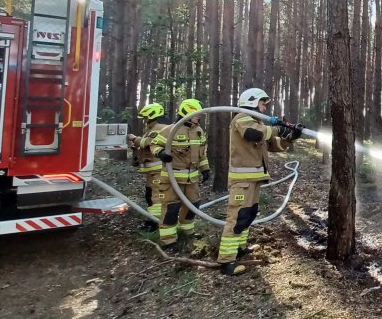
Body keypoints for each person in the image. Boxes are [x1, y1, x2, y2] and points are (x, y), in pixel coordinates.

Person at [217, 88, 303, 275]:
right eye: (263, 103)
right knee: (237, 217)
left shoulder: (257, 124)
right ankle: (226, 261)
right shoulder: (241, 119)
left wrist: (290, 137)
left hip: (253, 179)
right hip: (242, 181)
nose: (265, 107)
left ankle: (239, 249)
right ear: (252, 102)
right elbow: (254, 134)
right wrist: (277, 128)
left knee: (249, 214)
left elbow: (274, 145)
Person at [150, 99, 210, 250]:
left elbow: (202, 154)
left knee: (193, 204)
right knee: (171, 208)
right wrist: (161, 153)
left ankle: (187, 230)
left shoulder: (198, 131)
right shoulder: (171, 130)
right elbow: (154, 144)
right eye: (196, 114)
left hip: (192, 179)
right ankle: (168, 241)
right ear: (187, 112)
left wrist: (205, 169)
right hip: (172, 178)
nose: (199, 117)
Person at [126, 103, 168, 231]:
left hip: (158, 170)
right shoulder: (152, 128)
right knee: (150, 196)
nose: (145, 120)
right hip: (152, 171)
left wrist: (134, 139)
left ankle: (156, 224)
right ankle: (152, 220)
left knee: (156, 198)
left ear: (152, 115)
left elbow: (147, 142)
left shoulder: (160, 128)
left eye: (146, 117)